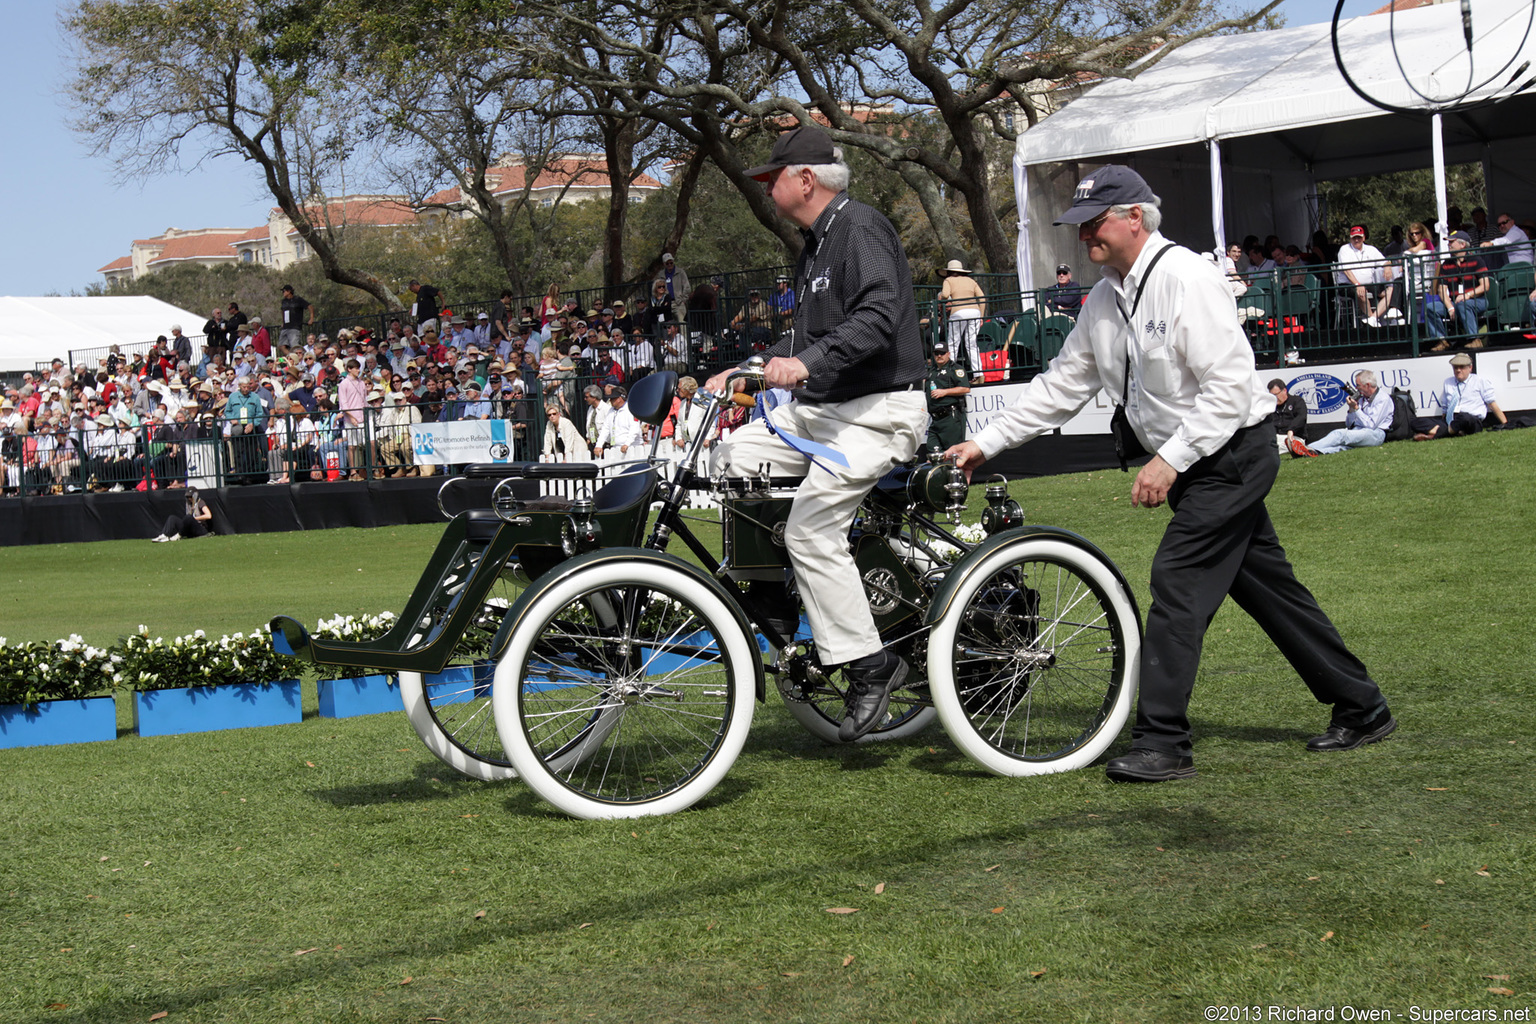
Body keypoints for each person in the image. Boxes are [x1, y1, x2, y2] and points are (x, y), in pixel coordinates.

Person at [945, 164, 1394, 782]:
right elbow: (1061, 387)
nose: (1083, 237)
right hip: (1199, 463)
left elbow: (1231, 390)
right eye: (1079, 226)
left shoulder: (1187, 277)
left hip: (1232, 455)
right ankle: (1364, 707)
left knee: (1177, 580)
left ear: (1136, 217)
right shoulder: (1104, 296)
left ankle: (1162, 741)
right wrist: (985, 444)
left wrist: (1167, 460)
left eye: (1093, 223)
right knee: (1271, 592)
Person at [704, 125, 927, 742]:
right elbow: (804, 337)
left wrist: (805, 365)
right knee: (731, 456)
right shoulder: (814, 246)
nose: (767, 186)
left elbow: (879, 316)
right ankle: (774, 595)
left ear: (806, 178)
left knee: (811, 526)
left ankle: (870, 663)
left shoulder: (861, 226)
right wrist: (746, 368)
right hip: (823, 411)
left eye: (772, 175)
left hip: (878, 409)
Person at [1287, 369, 1394, 456]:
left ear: (1368, 385)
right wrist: (1352, 409)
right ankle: (1313, 453)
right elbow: (1349, 424)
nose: (1356, 388)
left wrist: (1356, 408)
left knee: (1339, 434)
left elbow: (1371, 425)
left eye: (1358, 385)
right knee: (1343, 447)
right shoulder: (1362, 398)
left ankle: (1305, 448)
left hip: (1376, 434)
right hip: (1360, 430)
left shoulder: (1382, 399)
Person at [1413, 352, 1508, 439]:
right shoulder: (1448, 382)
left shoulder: (1480, 381)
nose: (1458, 370)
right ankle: (1452, 430)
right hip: (1452, 420)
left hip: (1471, 420)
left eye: (1462, 367)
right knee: (1415, 422)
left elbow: (1492, 404)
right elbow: (1445, 409)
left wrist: (1505, 423)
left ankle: (1435, 435)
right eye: (1455, 367)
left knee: (1465, 418)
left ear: (1470, 368)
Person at [1425, 232, 1491, 348]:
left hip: (1477, 301)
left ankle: (1475, 339)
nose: (1448, 244)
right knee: (1431, 308)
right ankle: (1442, 340)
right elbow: (1441, 290)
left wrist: (1468, 295)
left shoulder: (1476, 260)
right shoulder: (1446, 264)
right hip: (1456, 303)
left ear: (1462, 245)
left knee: (1463, 305)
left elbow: (1485, 286)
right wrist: (1450, 307)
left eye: (1451, 242)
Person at [936, 258, 987, 377]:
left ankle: (951, 373)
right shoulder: (971, 281)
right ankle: (978, 374)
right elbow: (982, 298)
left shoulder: (948, 280)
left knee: (953, 343)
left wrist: (944, 300)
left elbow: (945, 294)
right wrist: (981, 317)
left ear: (948, 272)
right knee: (972, 343)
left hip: (958, 312)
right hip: (975, 312)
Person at [1335, 225, 1391, 325]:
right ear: (1350, 238)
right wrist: (1357, 284)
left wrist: (1387, 267)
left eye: (1359, 237)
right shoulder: (1344, 249)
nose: (1356, 240)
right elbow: (1346, 270)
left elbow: (1385, 262)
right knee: (1361, 292)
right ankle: (1372, 321)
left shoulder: (1371, 249)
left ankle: (1373, 319)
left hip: (1368, 284)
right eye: (1354, 238)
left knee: (1390, 290)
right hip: (1348, 285)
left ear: (1364, 238)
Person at [925, 342, 970, 452]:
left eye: (942, 353)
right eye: (936, 353)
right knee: (933, 450)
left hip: (950, 418)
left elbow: (965, 388)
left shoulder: (955, 369)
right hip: (935, 420)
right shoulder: (932, 372)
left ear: (948, 354)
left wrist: (944, 392)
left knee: (953, 453)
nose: (939, 356)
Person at [1268, 378, 1308, 453]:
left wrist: (1291, 430)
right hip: (1277, 437)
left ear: (1284, 391)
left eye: (1276, 394)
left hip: (1294, 437)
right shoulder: (1270, 406)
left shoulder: (1296, 401)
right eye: (1272, 395)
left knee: (1284, 445)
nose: (1275, 398)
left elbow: (1301, 417)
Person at [278, 284, 313, 349]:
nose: (283, 293)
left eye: (284, 291)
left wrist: (311, 318)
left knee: (294, 346)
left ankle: (300, 356)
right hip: (286, 327)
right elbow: (282, 311)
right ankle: (291, 356)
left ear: (289, 291)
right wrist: (283, 322)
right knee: (281, 346)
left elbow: (309, 306)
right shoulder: (284, 301)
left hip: (294, 327)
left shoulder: (298, 300)